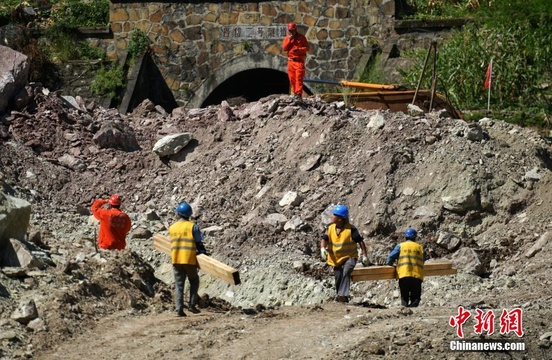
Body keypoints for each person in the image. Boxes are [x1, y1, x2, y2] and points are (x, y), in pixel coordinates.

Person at [320, 204, 369, 303]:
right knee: (338, 277)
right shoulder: (330, 228)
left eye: (334, 215)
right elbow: (324, 239)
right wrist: (322, 248)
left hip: (350, 257)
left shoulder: (351, 229)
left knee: (346, 271)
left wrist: (364, 255)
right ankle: (342, 299)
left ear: (340, 219)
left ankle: (343, 295)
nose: (332, 217)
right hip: (336, 259)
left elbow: (360, 241)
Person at [169, 201, 208, 317]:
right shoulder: (193, 226)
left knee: (179, 285)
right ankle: (191, 305)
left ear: (178, 214)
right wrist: (203, 254)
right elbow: (199, 242)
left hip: (176, 260)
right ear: (189, 214)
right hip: (189, 260)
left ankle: (179, 309)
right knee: (194, 281)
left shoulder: (172, 227)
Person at [386, 228, 426, 307]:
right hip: (417, 275)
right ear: (415, 237)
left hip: (404, 274)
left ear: (405, 237)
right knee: (415, 298)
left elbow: (391, 257)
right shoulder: (419, 247)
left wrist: (390, 264)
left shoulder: (400, 246)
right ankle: (414, 312)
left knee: (404, 296)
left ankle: (404, 310)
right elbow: (423, 260)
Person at [282, 22, 309, 99]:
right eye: (289, 30)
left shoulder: (301, 38)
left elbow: (306, 48)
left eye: (292, 30)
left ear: (295, 29)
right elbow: (284, 48)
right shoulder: (287, 38)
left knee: (299, 78)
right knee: (292, 78)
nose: (291, 32)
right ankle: (294, 93)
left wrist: (299, 50)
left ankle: (298, 94)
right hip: (291, 61)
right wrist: (289, 41)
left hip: (299, 61)